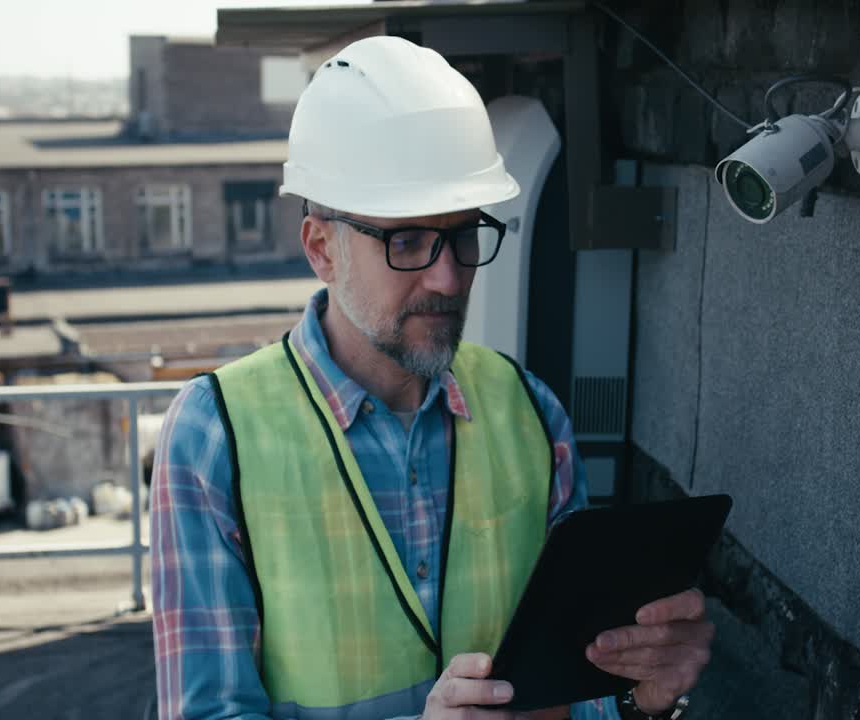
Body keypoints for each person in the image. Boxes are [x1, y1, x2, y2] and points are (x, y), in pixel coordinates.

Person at [151, 36, 712, 720]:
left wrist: (639, 698)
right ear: (322, 249)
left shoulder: (533, 417)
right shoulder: (215, 438)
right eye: (408, 240)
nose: (448, 277)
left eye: (464, 235)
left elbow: (573, 693)